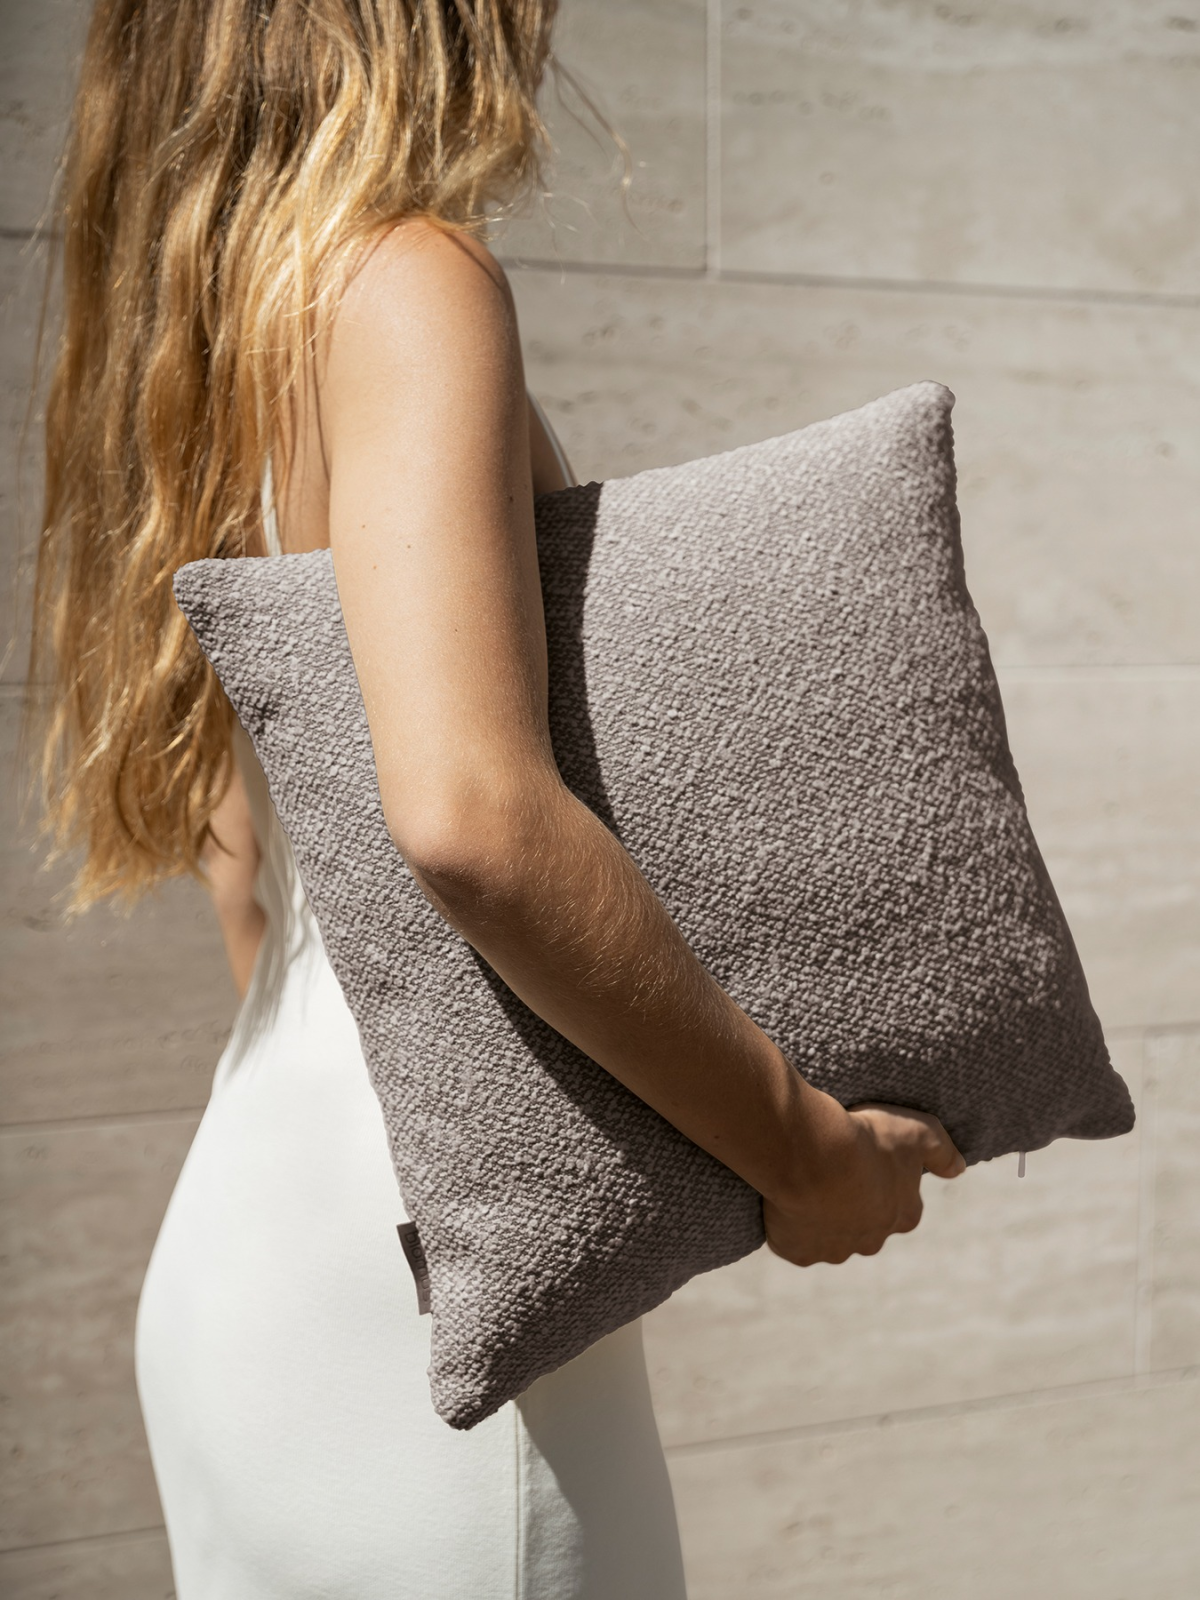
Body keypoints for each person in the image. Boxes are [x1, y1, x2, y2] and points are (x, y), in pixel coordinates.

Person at [27, 1, 965, 1594]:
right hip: (444, 1309)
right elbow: (471, 817)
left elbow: (247, 878)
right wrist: (800, 1149)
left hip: (253, 1256)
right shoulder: (403, 283)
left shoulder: (197, 336)